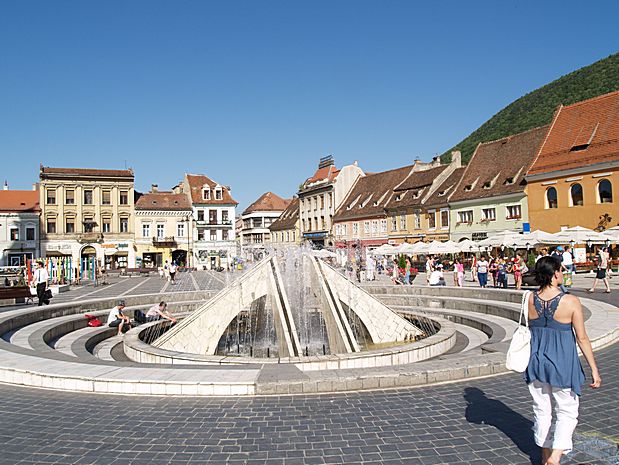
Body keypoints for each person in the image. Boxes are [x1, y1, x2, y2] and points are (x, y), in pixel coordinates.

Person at [524, 256, 601, 465]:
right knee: (566, 409)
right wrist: (594, 368)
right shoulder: (571, 301)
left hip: (537, 360)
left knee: (542, 409)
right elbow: (582, 338)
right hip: (562, 363)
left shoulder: (529, 299)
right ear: (556, 273)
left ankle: (545, 454)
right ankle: (556, 456)